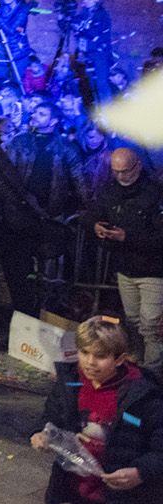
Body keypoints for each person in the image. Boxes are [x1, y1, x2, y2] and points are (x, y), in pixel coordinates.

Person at [31, 317, 162, 504]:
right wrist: (42, 434)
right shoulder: (70, 383)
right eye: (84, 352)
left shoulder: (144, 395)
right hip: (82, 491)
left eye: (100, 356)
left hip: (130, 503)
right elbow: (51, 418)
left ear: (120, 358)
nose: (90, 362)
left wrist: (140, 472)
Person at [81, 149, 163, 370]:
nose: (121, 177)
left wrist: (128, 236)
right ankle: (138, 365)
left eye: (125, 171)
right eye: (116, 172)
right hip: (125, 267)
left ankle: (153, 371)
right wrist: (96, 226)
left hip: (153, 270)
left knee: (151, 325)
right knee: (133, 321)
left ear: (137, 166)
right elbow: (91, 214)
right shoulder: (110, 191)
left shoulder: (154, 193)